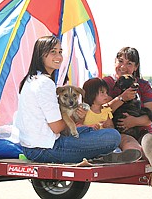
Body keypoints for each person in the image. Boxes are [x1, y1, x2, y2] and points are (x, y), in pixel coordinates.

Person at [14, 35, 122, 164]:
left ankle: (97, 154)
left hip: (32, 146)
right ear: (40, 55)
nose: (59, 57)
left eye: (60, 52)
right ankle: (101, 154)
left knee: (88, 130)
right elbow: (57, 127)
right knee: (113, 136)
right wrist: (71, 116)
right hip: (47, 148)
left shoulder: (30, 79)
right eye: (53, 52)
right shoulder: (45, 83)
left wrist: (77, 118)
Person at [103, 47, 152, 174]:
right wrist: (121, 98)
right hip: (119, 131)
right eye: (120, 61)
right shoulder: (106, 83)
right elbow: (100, 112)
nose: (123, 67)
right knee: (129, 142)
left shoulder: (142, 85)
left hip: (142, 129)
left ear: (136, 67)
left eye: (129, 63)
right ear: (114, 62)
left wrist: (133, 121)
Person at [82, 77, 142, 162]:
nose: (106, 95)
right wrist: (89, 127)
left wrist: (107, 126)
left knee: (121, 138)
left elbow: (112, 129)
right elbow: (77, 127)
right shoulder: (84, 110)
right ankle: (110, 156)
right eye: (102, 92)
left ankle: (131, 153)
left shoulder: (106, 111)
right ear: (91, 94)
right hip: (89, 141)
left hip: (105, 141)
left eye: (106, 92)